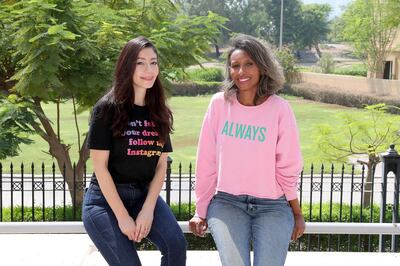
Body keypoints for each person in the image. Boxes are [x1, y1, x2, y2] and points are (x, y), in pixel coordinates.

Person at [189, 34, 305, 266]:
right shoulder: (219, 104)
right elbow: (206, 162)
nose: (241, 72)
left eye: (248, 64)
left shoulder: (280, 109)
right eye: (235, 66)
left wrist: (296, 212)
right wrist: (200, 211)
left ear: (262, 66)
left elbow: (288, 165)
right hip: (227, 204)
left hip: (273, 206)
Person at [82, 36, 186, 266]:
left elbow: (161, 164)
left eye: (153, 62)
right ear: (127, 65)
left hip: (142, 195)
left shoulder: (158, 110)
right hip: (104, 202)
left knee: (176, 245)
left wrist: (148, 209)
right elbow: (99, 166)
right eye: (140, 63)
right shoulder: (106, 108)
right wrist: (122, 217)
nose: (149, 70)